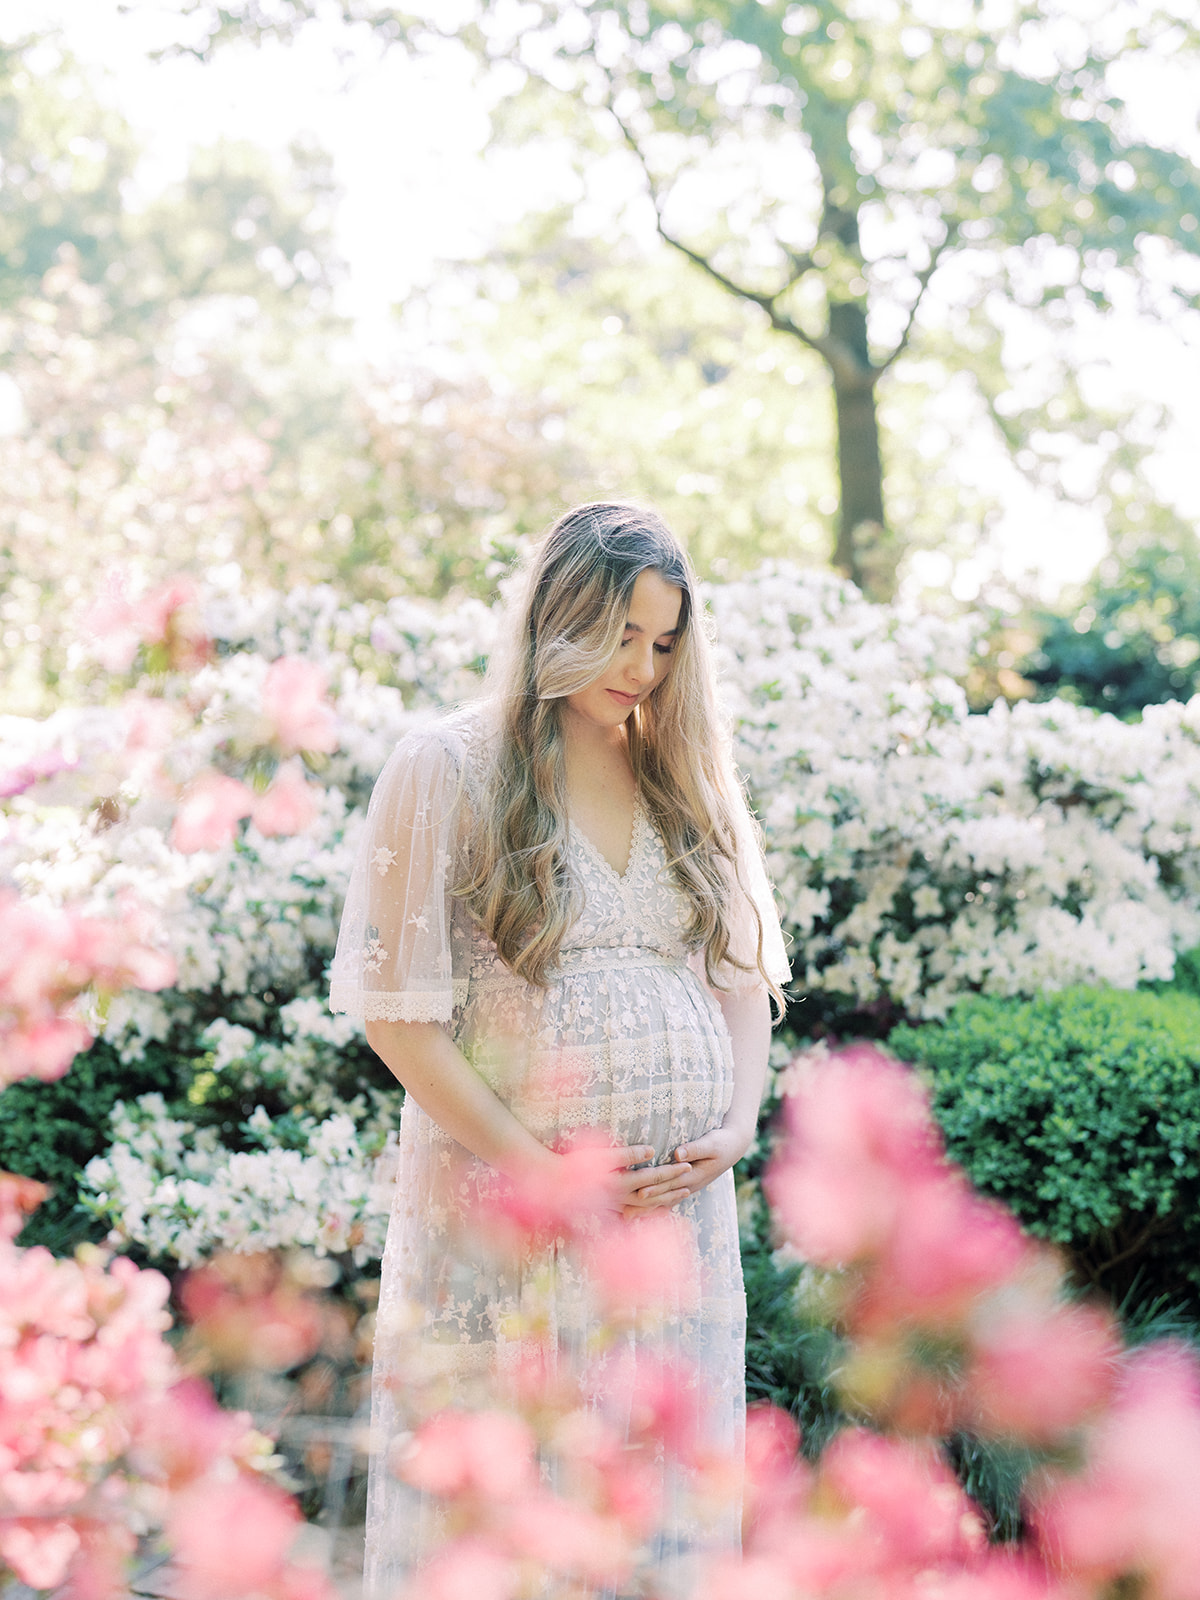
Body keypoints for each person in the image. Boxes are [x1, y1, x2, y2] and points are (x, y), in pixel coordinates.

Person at [329, 502, 790, 1595]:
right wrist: (543, 1174)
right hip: (515, 1212)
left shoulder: (686, 773)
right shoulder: (449, 764)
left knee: (656, 1499)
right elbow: (399, 1015)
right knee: (520, 1499)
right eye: (621, 635)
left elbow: (738, 979)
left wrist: (735, 1124)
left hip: (675, 1224)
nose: (642, 666)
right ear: (558, 618)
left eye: (664, 642)